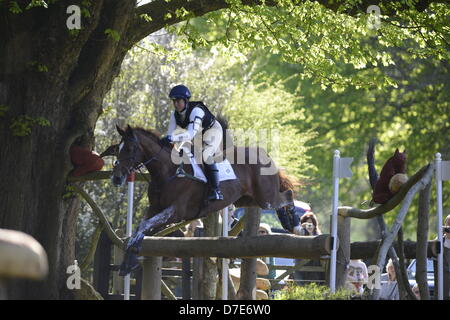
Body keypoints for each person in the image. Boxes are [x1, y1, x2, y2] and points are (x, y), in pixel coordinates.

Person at [161, 85, 224, 201]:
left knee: (206, 155)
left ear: (185, 100)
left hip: (212, 131)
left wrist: (171, 138)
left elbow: (189, 134)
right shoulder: (174, 115)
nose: (176, 104)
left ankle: (216, 190)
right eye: (174, 101)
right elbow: (171, 134)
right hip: (198, 135)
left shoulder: (196, 111)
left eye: (178, 101)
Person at [292, 212, 325, 285]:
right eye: (307, 223)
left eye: (311, 223)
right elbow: (295, 232)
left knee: (314, 284)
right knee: (300, 284)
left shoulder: (318, 235)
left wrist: (310, 233)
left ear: (314, 225)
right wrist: (302, 228)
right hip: (301, 264)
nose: (309, 226)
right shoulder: (300, 232)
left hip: (315, 266)